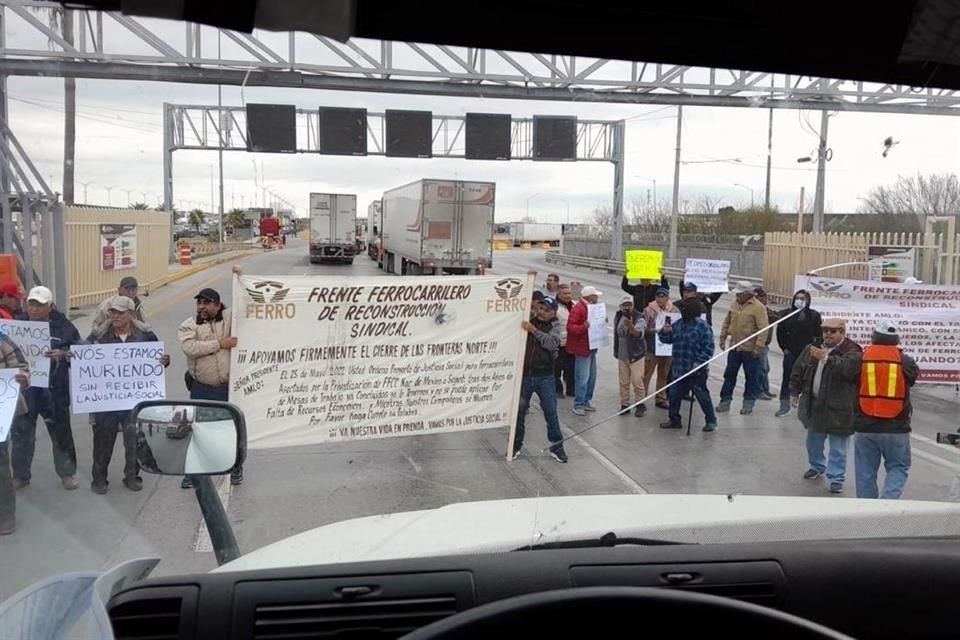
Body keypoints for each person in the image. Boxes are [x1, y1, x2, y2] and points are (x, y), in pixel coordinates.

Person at [87, 296, 170, 494]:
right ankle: (99, 480)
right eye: (112, 312)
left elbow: (156, 363)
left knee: (134, 441)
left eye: (119, 312)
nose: (114, 316)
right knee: (102, 442)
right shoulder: (99, 334)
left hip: (134, 401)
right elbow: (84, 358)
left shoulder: (146, 335)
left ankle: (132, 476)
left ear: (131, 314)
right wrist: (75, 357)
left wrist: (164, 361)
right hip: (107, 400)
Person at [10, 286, 82, 491]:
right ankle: (21, 475)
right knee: (22, 433)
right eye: (31, 304)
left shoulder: (63, 326)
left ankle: (67, 474)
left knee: (60, 433)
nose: (34, 309)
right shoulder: (17, 325)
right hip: (27, 391)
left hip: (55, 390)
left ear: (49, 306)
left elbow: (81, 350)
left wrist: (63, 353)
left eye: (39, 305)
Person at [842, 320, 920, 499]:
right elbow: (913, 377)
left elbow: (848, 375)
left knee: (865, 471)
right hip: (896, 427)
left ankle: (868, 511)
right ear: (896, 339)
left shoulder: (861, 358)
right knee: (898, 467)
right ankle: (888, 505)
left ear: (874, 337)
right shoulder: (904, 360)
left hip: (865, 426)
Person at [788, 318, 862, 494]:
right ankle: (816, 466)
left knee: (838, 447)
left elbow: (848, 370)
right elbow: (798, 370)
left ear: (842, 333)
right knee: (813, 441)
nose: (828, 334)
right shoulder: (812, 349)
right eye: (825, 330)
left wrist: (827, 359)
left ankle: (836, 478)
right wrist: (793, 392)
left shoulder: (852, 351)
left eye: (833, 331)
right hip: (815, 404)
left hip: (840, 407)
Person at [178, 287, 241, 487]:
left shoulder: (229, 319)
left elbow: (246, 305)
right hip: (202, 388)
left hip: (227, 388)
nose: (201, 307)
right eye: (199, 303)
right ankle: (193, 474)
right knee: (198, 431)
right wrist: (221, 344)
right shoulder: (188, 326)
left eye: (206, 303)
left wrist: (240, 278)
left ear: (217, 305)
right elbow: (191, 348)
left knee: (231, 430)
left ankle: (235, 470)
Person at [512, 296, 567, 463]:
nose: (541, 312)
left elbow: (551, 343)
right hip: (526, 376)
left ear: (553, 312)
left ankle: (557, 447)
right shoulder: (528, 320)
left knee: (551, 413)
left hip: (545, 377)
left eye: (545, 310)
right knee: (519, 413)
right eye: (540, 308)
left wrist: (533, 331)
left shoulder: (556, 326)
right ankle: (515, 446)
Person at [657, 298, 717, 431]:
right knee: (674, 395)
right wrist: (664, 332)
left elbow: (709, 347)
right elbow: (667, 340)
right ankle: (674, 420)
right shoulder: (678, 324)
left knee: (702, 395)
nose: (682, 312)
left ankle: (711, 420)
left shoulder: (703, 326)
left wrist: (699, 362)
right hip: (679, 368)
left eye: (685, 310)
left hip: (696, 370)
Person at [716, 281, 769, 415]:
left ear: (748, 294)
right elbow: (727, 321)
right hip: (734, 347)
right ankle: (725, 401)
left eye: (739, 294)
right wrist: (722, 338)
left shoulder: (758, 308)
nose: (737, 296)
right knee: (729, 375)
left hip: (750, 350)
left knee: (751, 377)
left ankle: (748, 403)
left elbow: (763, 329)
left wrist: (758, 348)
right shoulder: (734, 304)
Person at [0, 331, 29, 535]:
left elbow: (23, 368)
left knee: (0, 468)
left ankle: (5, 515)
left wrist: (21, 377)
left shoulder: (3, 342)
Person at [775, 289, 822, 417]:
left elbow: (818, 335)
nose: (800, 301)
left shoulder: (814, 316)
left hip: (807, 354)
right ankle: (784, 405)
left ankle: (806, 407)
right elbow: (780, 333)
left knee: (808, 380)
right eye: (798, 298)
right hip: (790, 353)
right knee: (787, 378)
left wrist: (814, 349)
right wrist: (784, 348)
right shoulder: (787, 315)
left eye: (803, 299)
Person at [566, 285, 602, 416]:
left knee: (592, 377)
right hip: (582, 349)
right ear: (589, 296)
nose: (597, 298)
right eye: (595, 295)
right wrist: (583, 327)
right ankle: (578, 403)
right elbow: (571, 328)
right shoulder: (578, 308)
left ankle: (586, 400)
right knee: (583, 377)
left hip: (592, 347)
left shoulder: (592, 308)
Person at [642, 287, 677, 409]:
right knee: (647, 373)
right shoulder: (648, 310)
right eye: (658, 296)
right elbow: (643, 328)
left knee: (664, 374)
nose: (660, 299)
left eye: (663, 296)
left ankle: (661, 398)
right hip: (652, 347)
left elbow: (679, 325)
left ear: (667, 298)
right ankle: (641, 398)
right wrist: (655, 330)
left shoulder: (674, 310)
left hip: (667, 348)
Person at [613, 294, 647, 417]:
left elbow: (638, 334)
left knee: (637, 380)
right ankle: (625, 404)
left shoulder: (640, 317)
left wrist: (630, 326)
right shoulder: (618, 316)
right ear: (620, 306)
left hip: (636, 354)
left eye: (629, 305)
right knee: (623, 381)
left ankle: (640, 404)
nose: (627, 308)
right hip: (622, 354)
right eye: (624, 305)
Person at [753, 287, 777, 401]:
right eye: (763, 297)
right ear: (757, 297)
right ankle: (759, 391)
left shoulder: (765, 308)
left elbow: (775, 315)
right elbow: (773, 317)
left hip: (765, 344)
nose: (766, 299)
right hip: (759, 343)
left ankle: (765, 388)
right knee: (760, 368)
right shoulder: (758, 310)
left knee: (765, 368)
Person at [554, 285, 575, 397]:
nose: (567, 296)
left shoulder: (573, 306)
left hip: (572, 343)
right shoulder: (555, 307)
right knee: (557, 369)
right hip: (559, 343)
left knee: (571, 369)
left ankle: (571, 390)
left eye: (569, 293)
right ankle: (558, 390)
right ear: (559, 294)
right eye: (565, 293)